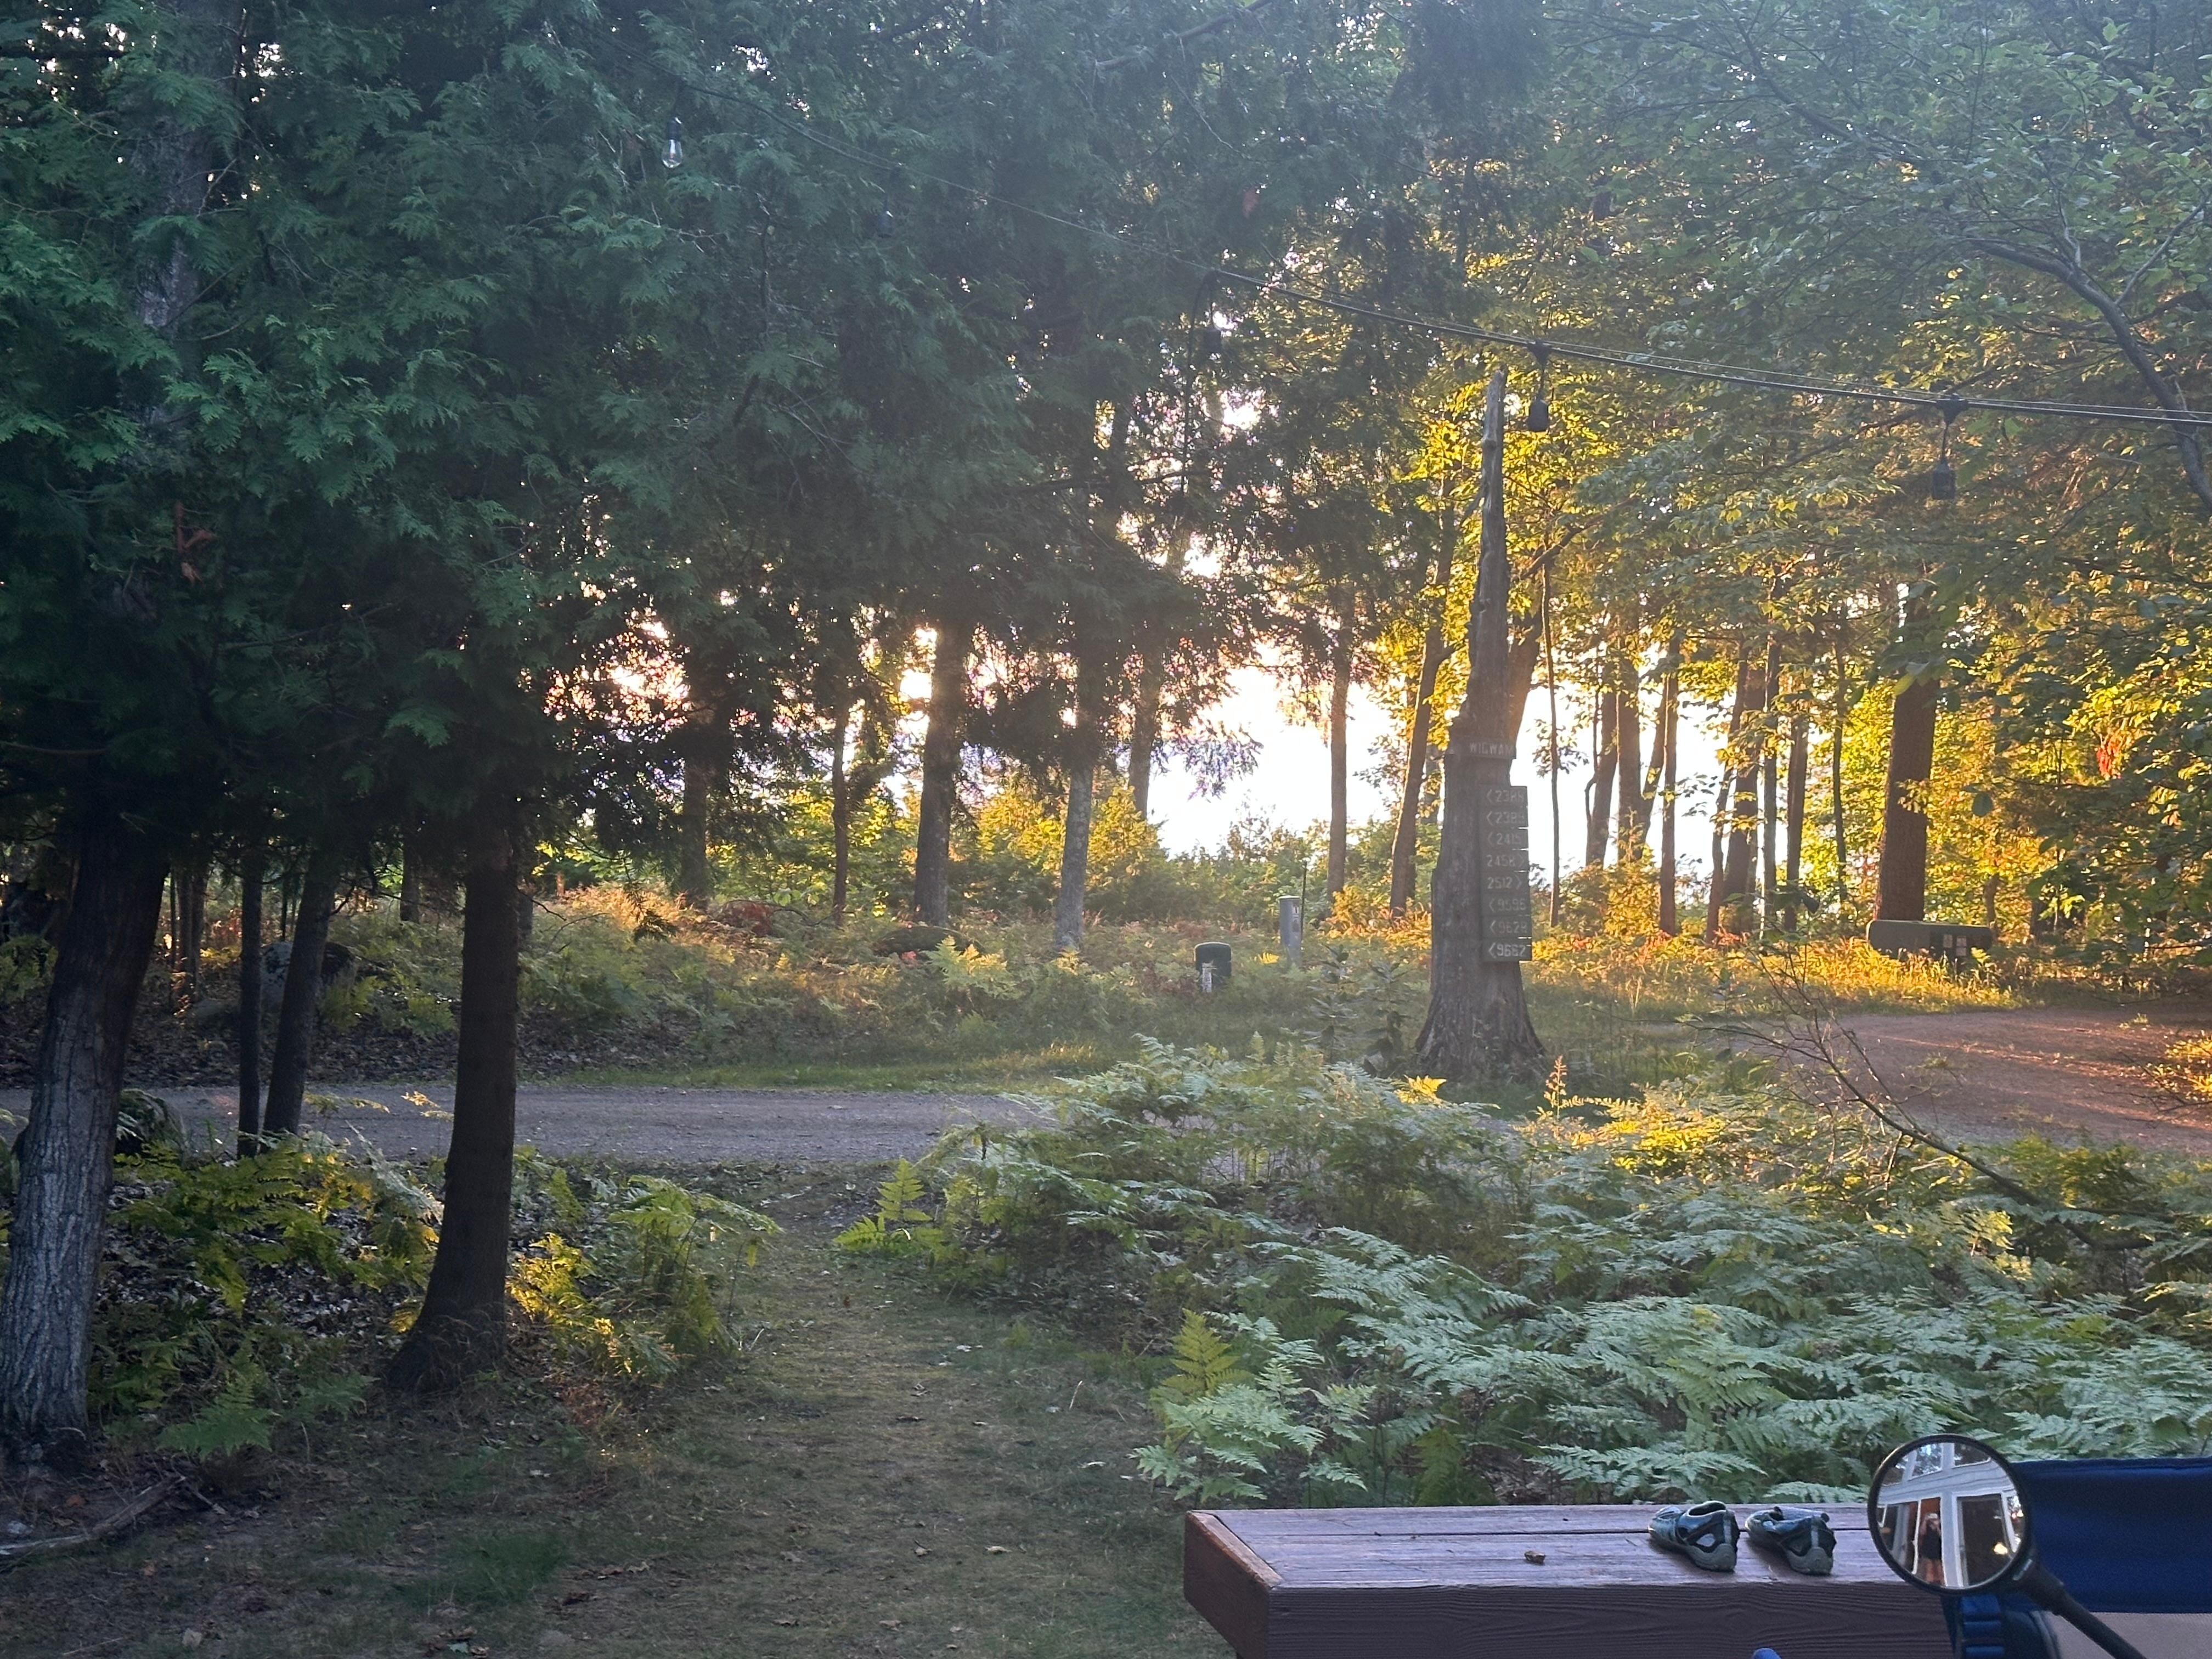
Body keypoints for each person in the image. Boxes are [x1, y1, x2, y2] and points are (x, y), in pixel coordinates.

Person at [1917, 1511, 1945, 1585]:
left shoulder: (1940, 1527)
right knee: (1929, 1568)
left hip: (1938, 1549)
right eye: (1932, 1519)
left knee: (1940, 1569)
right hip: (1928, 1549)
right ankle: (1929, 1584)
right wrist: (1925, 1521)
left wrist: (1937, 1527)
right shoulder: (1927, 1526)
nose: (1933, 1521)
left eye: (1935, 1519)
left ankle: (1943, 1584)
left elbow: (1943, 1537)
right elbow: (1922, 1533)